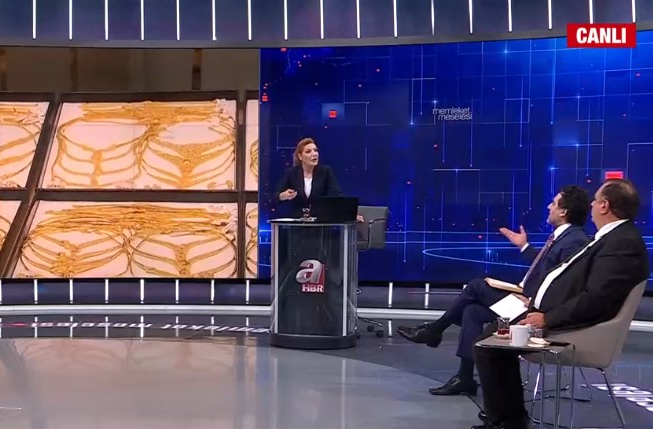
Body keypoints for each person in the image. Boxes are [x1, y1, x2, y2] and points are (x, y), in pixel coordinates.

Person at [473, 179, 649, 429]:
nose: (591, 205)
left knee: (488, 344)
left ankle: (506, 420)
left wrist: (547, 318)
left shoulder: (621, 243)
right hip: (556, 313)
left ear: (604, 206)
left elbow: (595, 298)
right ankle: (508, 417)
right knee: (488, 332)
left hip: (578, 326)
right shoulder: (612, 238)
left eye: (595, 200)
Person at [396, 185, 591, 396]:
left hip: (535, 311)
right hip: (526, 299)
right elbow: (548, 268)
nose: (548, 207)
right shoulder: (565, 236)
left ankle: (434, 331)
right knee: (472, 311)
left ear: (564, 212)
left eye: (553, 203)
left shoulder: (574, 241)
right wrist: (524, 247)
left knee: (476, 286)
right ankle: (464, 377)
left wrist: (532, 300)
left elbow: (564, 284)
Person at [276, 137, 363, 221]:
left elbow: (336, 197)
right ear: (300, 156)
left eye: (315, 150)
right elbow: (274, 197)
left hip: (320, 224)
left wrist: (349, 214)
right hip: (297, 224)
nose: (314, 154)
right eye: (308, 151)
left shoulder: (326, 172)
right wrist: (282, 196)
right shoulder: (291, 173)